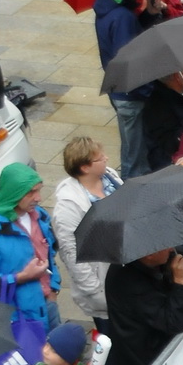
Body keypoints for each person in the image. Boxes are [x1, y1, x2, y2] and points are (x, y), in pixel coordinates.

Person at [0, 162, 61, 331]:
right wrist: (22, 277)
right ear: (14, 192)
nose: (38, 198)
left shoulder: (41, 217)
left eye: (39, 190)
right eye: (31, 192)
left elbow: (50, 253)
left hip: (48, 307)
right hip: (16, 321)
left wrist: (53, 288)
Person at [50, 138, 121, 334]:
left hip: (128, 271)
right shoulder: (68, 206)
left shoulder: (111, 177)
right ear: (84, 167)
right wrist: (95, 292)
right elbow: (72, 254)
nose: (106, 158)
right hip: (105, 286)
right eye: (100, 158)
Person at [94, 0, 161, 178]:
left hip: (121, 91)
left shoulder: (113, 8)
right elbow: (129, 59)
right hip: (130, 95)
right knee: (134, 159)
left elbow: (132, 36)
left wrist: (148, 14)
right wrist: (146, 89)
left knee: (132, 150)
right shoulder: (122, 17)